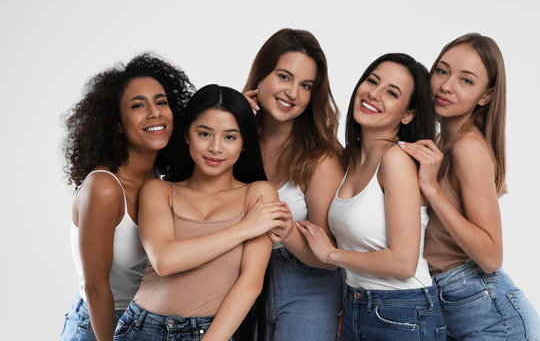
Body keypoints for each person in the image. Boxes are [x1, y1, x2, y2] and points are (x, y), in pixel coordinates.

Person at [114, 84, 290, 341]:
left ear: (243, 144)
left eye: (230, 137)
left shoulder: (258, 194)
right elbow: (165, 261)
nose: (215, 148)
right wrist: (245, 228)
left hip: (211, 331)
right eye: (205, 134)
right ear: (187, 135)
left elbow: (250, 284)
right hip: (143, 327)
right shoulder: (158, 190)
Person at [399, 33, 540, 339]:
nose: (447, 86)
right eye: (442, 71)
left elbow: (491, 256)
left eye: (466, 80)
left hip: (494, 319)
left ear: (486, 96)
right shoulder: (438, 143)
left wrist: (432, 189)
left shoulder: (468, 148)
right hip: (450, 308)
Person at [297, 53, 447, 339]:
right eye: (372, 81)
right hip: (358, 306)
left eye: (391, 93)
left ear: (408, 114)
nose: (373, 94)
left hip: (403, 311)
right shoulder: (349, 160)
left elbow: (403, 263)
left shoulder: (395, 160)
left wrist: (331, 254)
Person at [60, 53, 195, 341]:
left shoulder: (161, 177)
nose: (155, 112)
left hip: (149, 321)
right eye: (138, 105)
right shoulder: (105, 188)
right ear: (118, 124)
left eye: (161, 102)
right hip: (101, 325)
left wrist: (236, 110)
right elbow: (96, 289)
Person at [243, 28, 344, 340]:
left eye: (305, 86)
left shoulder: (320, 158)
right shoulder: (230, 142)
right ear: (260, 75)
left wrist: (287, 232)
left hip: (305, 280)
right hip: (239, 272)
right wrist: (230, 121)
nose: (292, 93)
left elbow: (327, 258)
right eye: (284, 77)